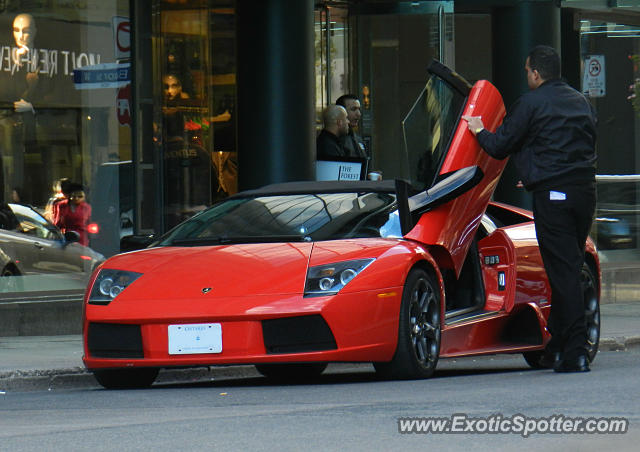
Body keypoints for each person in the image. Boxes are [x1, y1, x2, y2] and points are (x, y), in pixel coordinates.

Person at [462, 45, 597, 373]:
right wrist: (536, 172)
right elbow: (574, 147)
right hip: (584, 195)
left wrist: (478, 128)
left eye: (527, 71)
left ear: (536, 73)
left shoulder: (530, 104)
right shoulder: (582, 103)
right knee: (570, 266)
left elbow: (499, 146)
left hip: (553, 198)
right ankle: (557, 346)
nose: (526, 76)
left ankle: (576, 351)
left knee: (562, 273)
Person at [53, 182, 92, 246]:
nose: (76, 198)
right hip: (67, 237)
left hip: (82, 238)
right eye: (74, 196)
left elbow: (90, 224)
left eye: (80, 196)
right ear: (70, 195)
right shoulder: (61, 205)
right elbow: (57, 223)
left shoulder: (87, 207)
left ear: (85, 197)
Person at [336, 94, 368, 160]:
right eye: (353, 109)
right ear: (341, 112)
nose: (358, 114)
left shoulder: (358, 139)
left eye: (359, 109)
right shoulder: (335, 142)